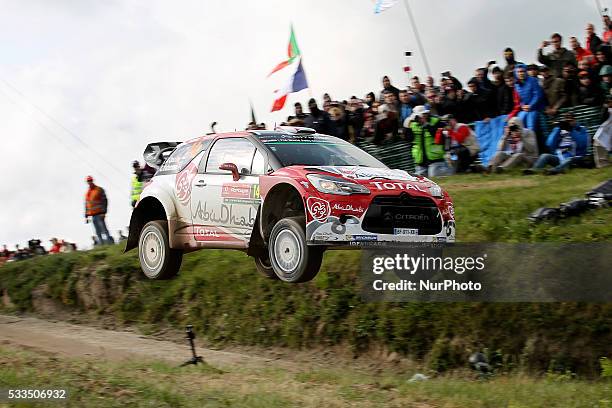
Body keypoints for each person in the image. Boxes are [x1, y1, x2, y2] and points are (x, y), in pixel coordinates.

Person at [523, 113, 589, 175]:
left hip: (574, 158)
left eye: (570, 120)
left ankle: (554, 170)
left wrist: (571, 130)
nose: (569, 122)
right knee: (545, 156)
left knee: (569, 159)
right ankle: (534, 170)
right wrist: (557, 129)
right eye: (566, 121)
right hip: (560, 157)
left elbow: (582, 144)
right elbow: (549, 144)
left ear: (575, 120)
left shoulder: (581, 129)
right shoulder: (560, 129)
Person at [404, 105, 453, 177]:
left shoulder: (435, 121)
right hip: (420, 160)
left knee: (435, 178)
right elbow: (409, 139)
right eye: (421, 115)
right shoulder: (413, 124)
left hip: (436, 158)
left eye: (425, 114)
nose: (423, 117)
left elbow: (439, 136)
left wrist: (426, 125)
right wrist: (407, 127)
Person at [514, 64, 544, 131]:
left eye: (522, 71)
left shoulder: (533, 80)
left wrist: (531, 105)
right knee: (520, 124)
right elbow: (519, 98)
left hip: (535, 108)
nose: (520, 73)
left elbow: (537, 95)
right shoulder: (516, 84)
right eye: (518, 72)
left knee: (531, 127)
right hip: (524, 109)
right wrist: (522, 106)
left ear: (525, 72)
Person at [85, 176, 113, 245]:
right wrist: (86, 215)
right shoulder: (88, 193)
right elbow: (87, 204)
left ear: (92, 180)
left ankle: (110, 243)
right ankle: (102, 245)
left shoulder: (99, 189)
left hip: (100, 214)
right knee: (97, 231)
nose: (89, 182)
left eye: (90, 180)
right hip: (93, 215)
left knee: (104, 230)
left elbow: (105, 201)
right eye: (88, 181)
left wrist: (104, 212)